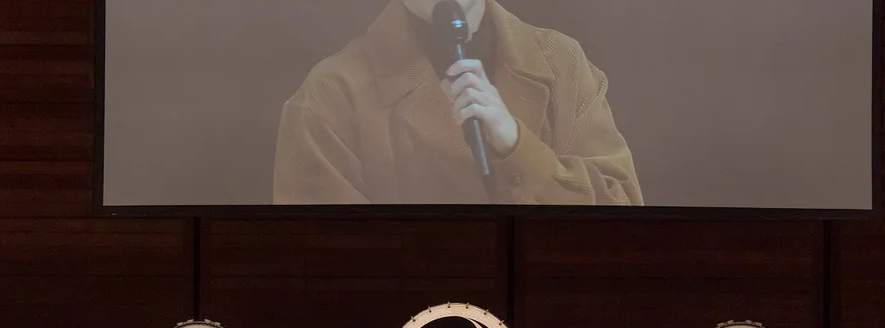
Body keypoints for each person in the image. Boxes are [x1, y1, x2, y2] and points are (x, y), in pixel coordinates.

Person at [273, 0, 641, 205]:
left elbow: (624, 220)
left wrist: (516, 144)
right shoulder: (330, 94)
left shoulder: (563, 63)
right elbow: (318, 268)